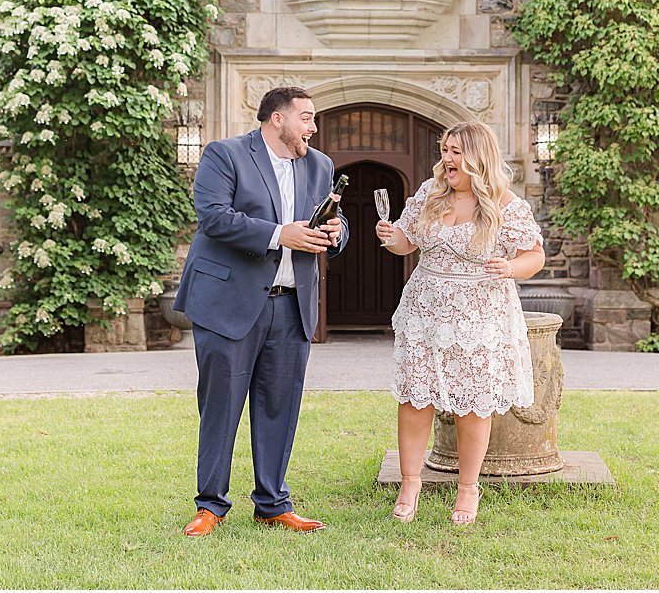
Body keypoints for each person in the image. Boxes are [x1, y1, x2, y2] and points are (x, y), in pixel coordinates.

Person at [173, 86, 348, 537]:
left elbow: (335, 222)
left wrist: (335, 232)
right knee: (221, 408)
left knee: (279, 407)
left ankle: (272, 504)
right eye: (306, 117)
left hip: (292, 306)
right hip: (228, 305)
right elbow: (212, 216)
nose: (313, 127)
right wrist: (278, 234)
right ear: (277, 119)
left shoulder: (320, 165)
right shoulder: (225, 155)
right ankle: (210, 505)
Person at [374, 120, 546, 526]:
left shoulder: (505, 204)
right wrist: (389, 235)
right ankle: (410, 482)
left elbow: (534, 256)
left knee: (474, 405)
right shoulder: (430, 196)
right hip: (426, 312)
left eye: (455, 152)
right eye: (444, 151)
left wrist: (512, 266)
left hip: (479, 317)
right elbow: (406, 243)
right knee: (416, 398)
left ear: (477, 156)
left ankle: (468, 489)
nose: (446, 160)